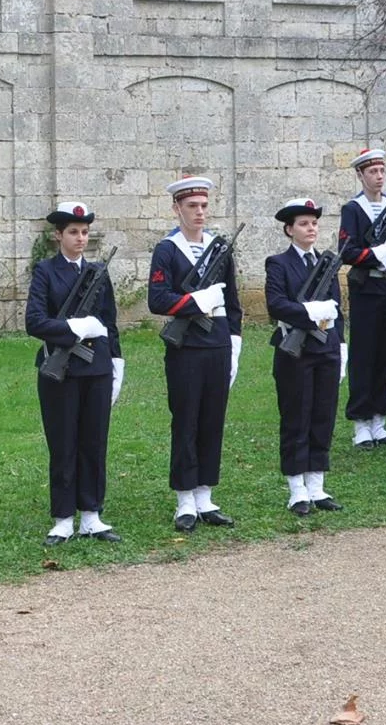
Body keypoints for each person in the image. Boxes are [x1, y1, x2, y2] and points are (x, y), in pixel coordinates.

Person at [23, 201, 123, 547]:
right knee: (63, 443)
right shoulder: (45, 272)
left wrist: (116, 363)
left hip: (96, 369)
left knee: (94, 442)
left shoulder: (98, 272)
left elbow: (109, 323)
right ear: (58, 235)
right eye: (73, 232)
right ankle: (64, 518)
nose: (80, 238)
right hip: (59, 372)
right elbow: (34, 322)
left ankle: (92, 515)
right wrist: (74, 327)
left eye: (84, 232)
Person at [147, 176, 243, 532]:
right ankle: (185, 499)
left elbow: (232, 302)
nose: (200, 212)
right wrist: (193, 302)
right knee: (186, 419)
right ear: (177, 209)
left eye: (203, 206)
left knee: (212, 419)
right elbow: (157, 299)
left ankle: (205, 494)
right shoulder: (167, 250)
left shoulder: (220, 248)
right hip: (186, 347)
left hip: (216, 341)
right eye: (192, 206)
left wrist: (234, 342)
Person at [266, 198, 345, 515]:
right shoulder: (279, 264)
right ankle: (297, 490)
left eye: (313, 223)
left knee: (322, 416)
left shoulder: (326, 263)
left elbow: (338, 309)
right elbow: (276, 305)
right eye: (303, 223)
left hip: (325, 348)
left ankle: (317, 485)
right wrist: (308, 312)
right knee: (297, 417)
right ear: (289, 229)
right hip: (295, 353)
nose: (310, 228)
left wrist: (342, 345)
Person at [336, 147, 386, 448]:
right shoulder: (354, 209)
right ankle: (361, 421)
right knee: (364, 353)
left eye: (382, 171)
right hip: (366, 287)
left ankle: (380, 419)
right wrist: (376, 254)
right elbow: (347, 252)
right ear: (360, 175)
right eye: (372, 172)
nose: (379, 177)